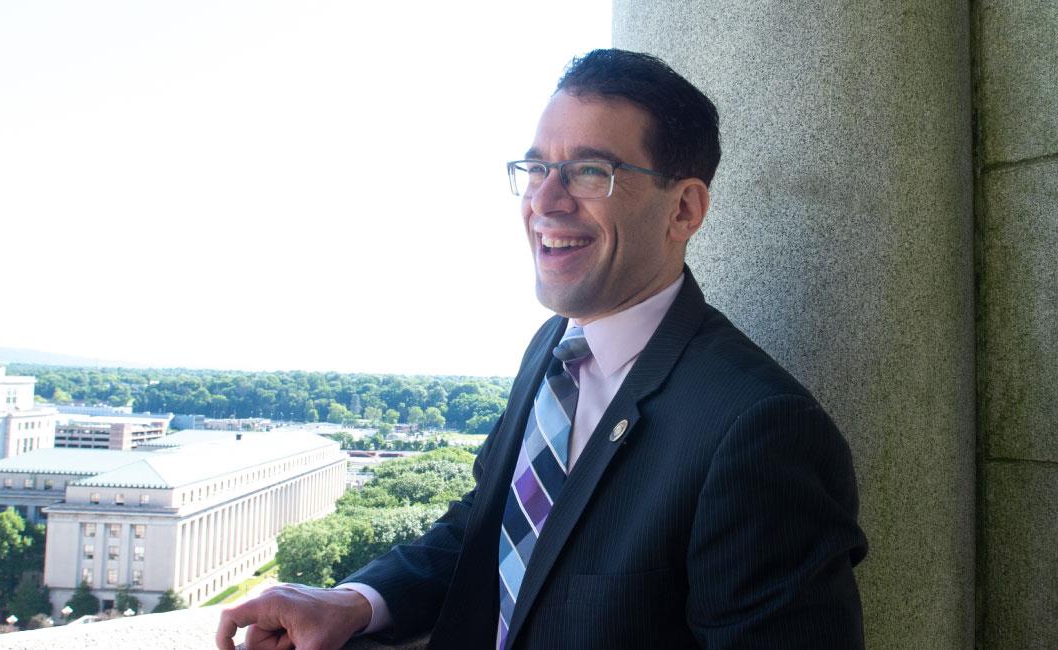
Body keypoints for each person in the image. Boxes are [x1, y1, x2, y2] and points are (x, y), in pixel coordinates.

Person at [217, 48, 868, 650]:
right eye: (535, 168)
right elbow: (490, 524)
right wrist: (358, 601)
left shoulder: (761, 430)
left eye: (590, 171)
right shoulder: (555, 347)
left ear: (684, 210)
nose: (545, 201)